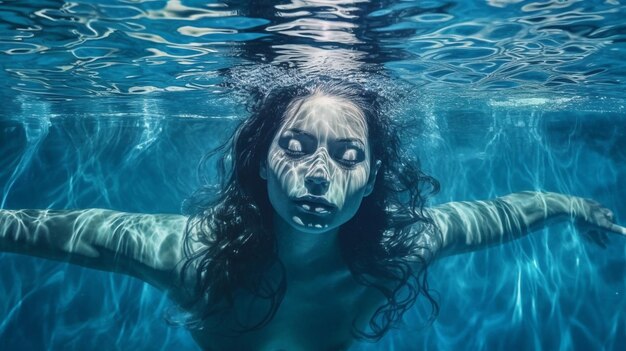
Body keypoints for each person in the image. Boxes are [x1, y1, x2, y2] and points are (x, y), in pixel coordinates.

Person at [0, 81, 624, 351]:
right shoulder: (191, 254)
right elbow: (59, 232)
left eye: (348, 154)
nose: (319, 172)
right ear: (262, 164)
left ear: (371, 180)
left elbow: (502, 215)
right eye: (295, 147)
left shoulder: (395, 252)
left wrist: (575, 206)